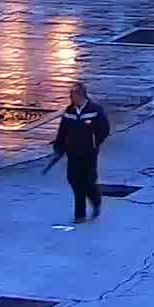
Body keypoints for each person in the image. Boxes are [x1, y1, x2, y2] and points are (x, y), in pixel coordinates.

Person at [51, 82, 110, 223]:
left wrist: (95, 144)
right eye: (71, 96)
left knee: (88, 180)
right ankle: (80, 214)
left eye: (74, 96)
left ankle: (95, 200)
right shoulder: (69, 111)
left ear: (82, 96)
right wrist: (59, 147)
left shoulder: (95, 110)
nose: (72, 99)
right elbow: (62, 131)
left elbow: (104, 129)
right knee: (74, 179)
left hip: (89, 153)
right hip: (73, 152)